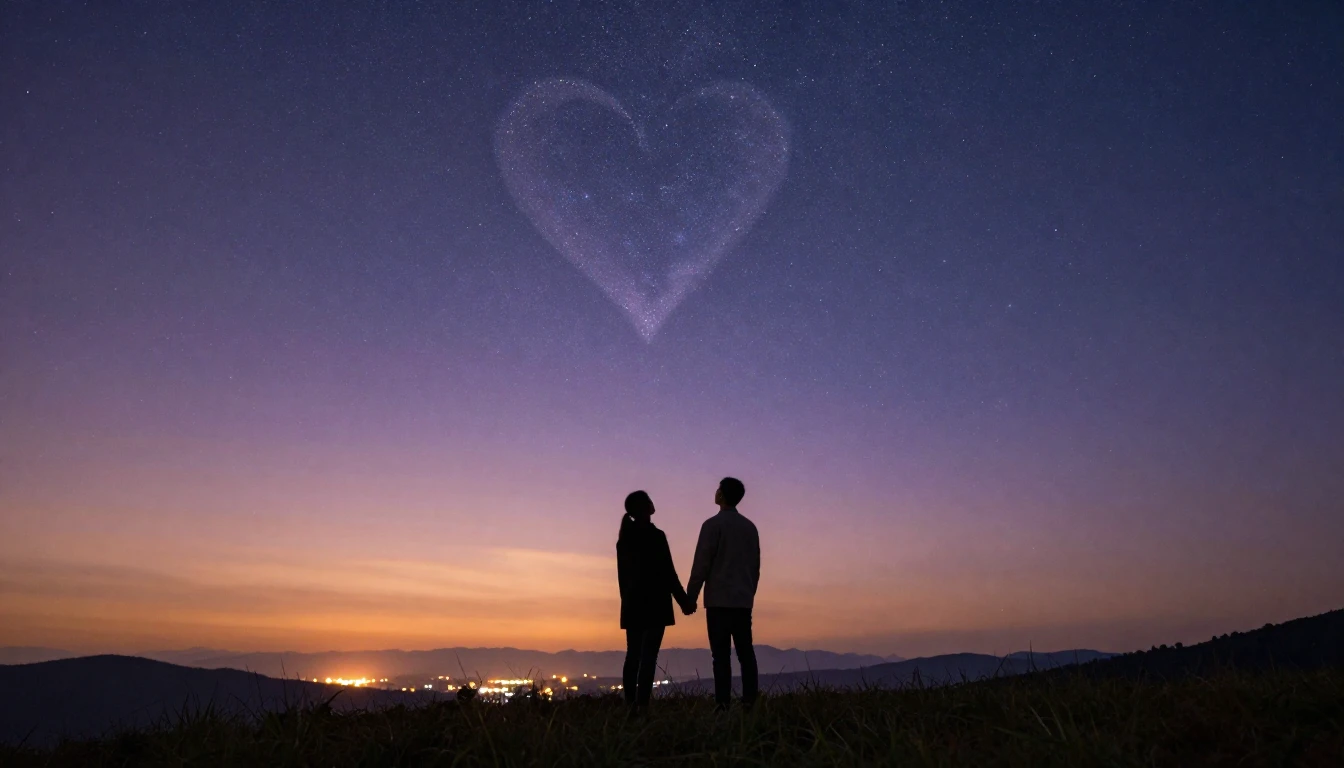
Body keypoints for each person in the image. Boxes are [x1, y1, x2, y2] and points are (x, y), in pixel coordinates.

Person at [685, 477, 760, 710]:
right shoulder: (749, 527)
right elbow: (754, 567)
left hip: (718, 600)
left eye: (718, 489)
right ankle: (750, 701)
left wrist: (691, 596)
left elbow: (702, 564)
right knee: (745, 653)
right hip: (742, 600)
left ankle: (722, 704)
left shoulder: (712, 525)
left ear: (722, 495)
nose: (715, 492)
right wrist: (749, 593)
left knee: (720, 656)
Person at [616, 490, 694, 712]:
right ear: (644, 507)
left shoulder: (624, 540)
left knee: (633, 655)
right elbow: (668, 573)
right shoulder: (656, 536)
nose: (653, 504)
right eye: (650, 501)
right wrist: (684, 602)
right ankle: (642, 705)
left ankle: (630, 704)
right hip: (655, 605)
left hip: (632, 605)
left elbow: (623, 580)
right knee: (648, 656)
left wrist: (627, 603)